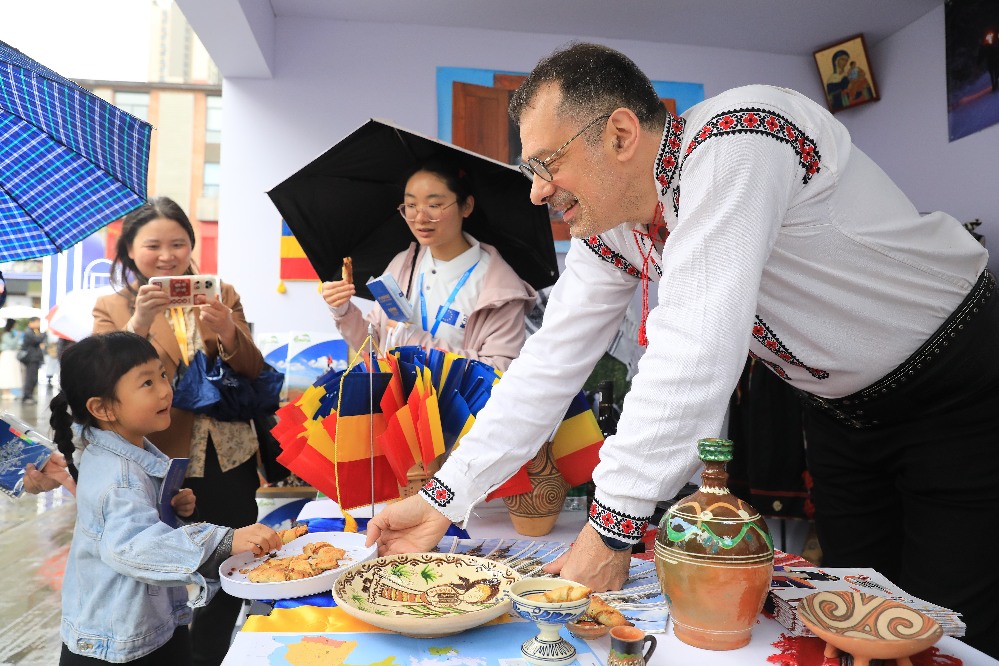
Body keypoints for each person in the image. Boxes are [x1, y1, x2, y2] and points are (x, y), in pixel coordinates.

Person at [365, 42, 998, 658]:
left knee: (945, 630)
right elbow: (547, 364)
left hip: (956, 389)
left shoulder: (739, 138)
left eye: (547, 163)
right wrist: (442, 496)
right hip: (837, 417)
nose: (538, 191)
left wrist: (612, 527)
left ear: (618, 134)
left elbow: (695, 345)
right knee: (854, 618)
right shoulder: (613, 227)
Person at [93, 196, 266, 666]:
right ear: (129, 250)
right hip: (161, 461)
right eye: (153, 246)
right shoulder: (112, 306)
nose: (168, 255)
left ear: (192, 245)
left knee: (234, 563)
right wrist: (138, 324)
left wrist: (229, 332)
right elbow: (98, 384)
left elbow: (254, 368)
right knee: (172, 573)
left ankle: (212, 655)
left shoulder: (220, 293)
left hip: (229, 457)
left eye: (178, 243)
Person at [52, 331, 280, 664]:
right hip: (117, 647)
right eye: (147, 384)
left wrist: (171, 508)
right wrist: (224, 540)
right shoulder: (118, 477)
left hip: (152, 623)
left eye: (162, 375)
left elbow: (136, 520)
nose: (165, 390)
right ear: (102, 408)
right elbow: (136, 546)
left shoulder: (127, 446)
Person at [322, 158, 537, 372]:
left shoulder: (500, 291)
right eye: (411, 205)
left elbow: (498, 370)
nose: (420, 218)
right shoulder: (403, 264)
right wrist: (343, 312)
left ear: (467, 206)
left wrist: (416, 343)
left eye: (434, 205)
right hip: (398, 404)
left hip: (458, 407)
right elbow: (373, 347)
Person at [18, 316, 46, 405]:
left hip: (35, 358)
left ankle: (29, 396)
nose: (39, 324)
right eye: (38, 322)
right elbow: (37, 339)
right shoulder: (28, 331)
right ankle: (27, 396)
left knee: (33, 378)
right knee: (30, 378)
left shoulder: (34, 331)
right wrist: (45, 333)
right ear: (32, 322)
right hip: (31, 358)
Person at [0, 318, 20, 400]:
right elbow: (12, 344)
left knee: (11, 373)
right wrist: (17, 336)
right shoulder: (6, 334)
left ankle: (8, 392)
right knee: (6, 373)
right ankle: (5, 392)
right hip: (7, 355)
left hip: (12, 355)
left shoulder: (11, 333)